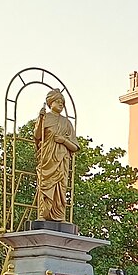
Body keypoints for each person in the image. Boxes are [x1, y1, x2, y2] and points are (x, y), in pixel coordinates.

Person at [34, 88, 80, 222]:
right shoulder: (45, 118)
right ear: (50, 102)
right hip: (47, 159)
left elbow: (75, 147)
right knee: (45, 185)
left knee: (60, 187)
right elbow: (37, 136)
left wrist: (64, 141)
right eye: (58, 101)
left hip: (61, 161)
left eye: (62, 102)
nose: (61, 104)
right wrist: (41, 119)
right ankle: (43, 214)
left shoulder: (67, 123)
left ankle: (59, 215)